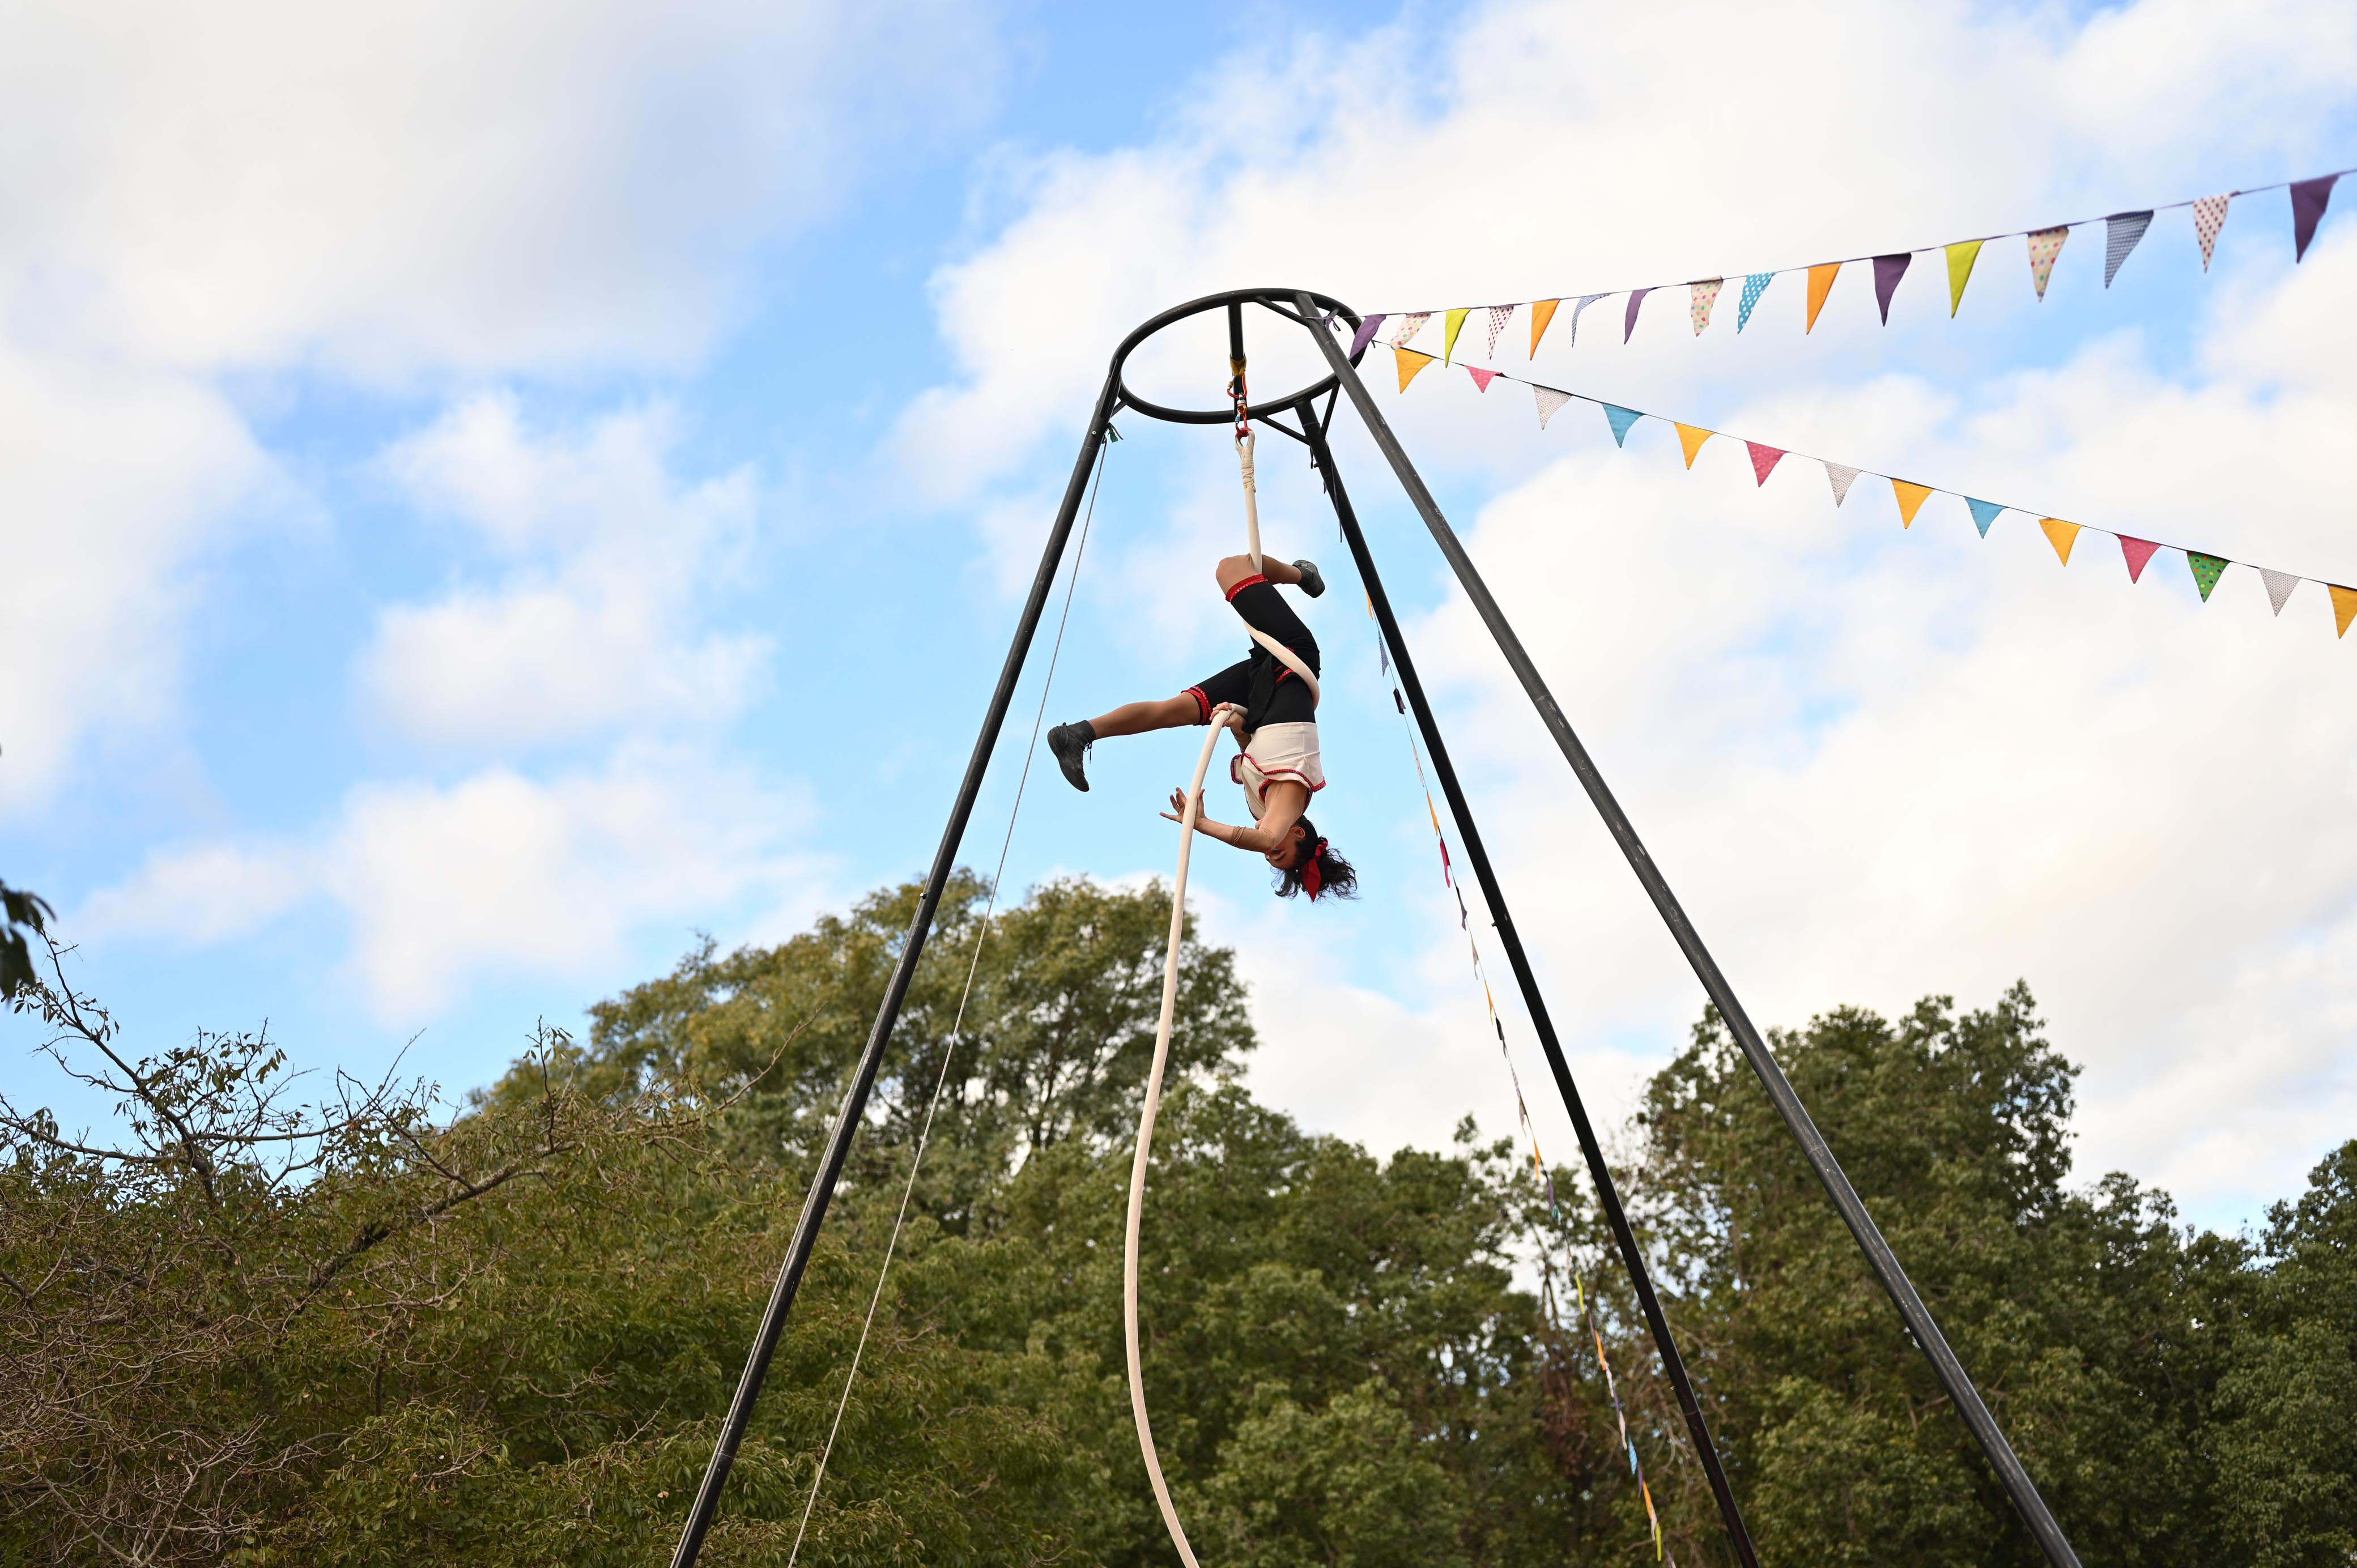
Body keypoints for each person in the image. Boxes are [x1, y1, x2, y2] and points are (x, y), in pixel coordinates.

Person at [1048, 554, 1358, 901]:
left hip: (1257, 695)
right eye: (1278, 853)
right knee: (1232, 568)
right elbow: (1264, 839)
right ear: (1298, 833)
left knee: (1172, 711)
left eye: (1270, 858)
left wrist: (1235, 723)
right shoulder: (1292, 803)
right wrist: (1200, 824)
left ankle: (1079, 734)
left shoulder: (1260, 807)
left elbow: (1252, 745)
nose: (1267, 850)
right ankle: (1302, 575)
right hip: (1291, 662)